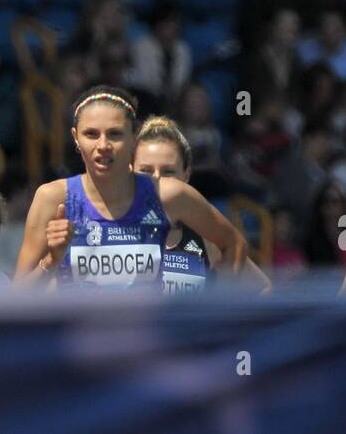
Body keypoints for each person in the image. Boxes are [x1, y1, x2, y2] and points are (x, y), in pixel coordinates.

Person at [14, 85, 263, 291]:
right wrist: (51, 260)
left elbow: (234, 244)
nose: (103, 145)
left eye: (115, 134)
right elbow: (17, 301)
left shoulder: (168, 194)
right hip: (81, 348)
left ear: (134, 136)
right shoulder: (53, 198)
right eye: (91, 134)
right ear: (75, 137)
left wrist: (215, 313)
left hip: (149, 347)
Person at [132, 115, 271, 293]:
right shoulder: (110, 227)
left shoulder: (207, 237)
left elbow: (263, 289)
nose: (157, 180)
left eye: (168, 172)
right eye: (146, 171)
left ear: (186, 175)